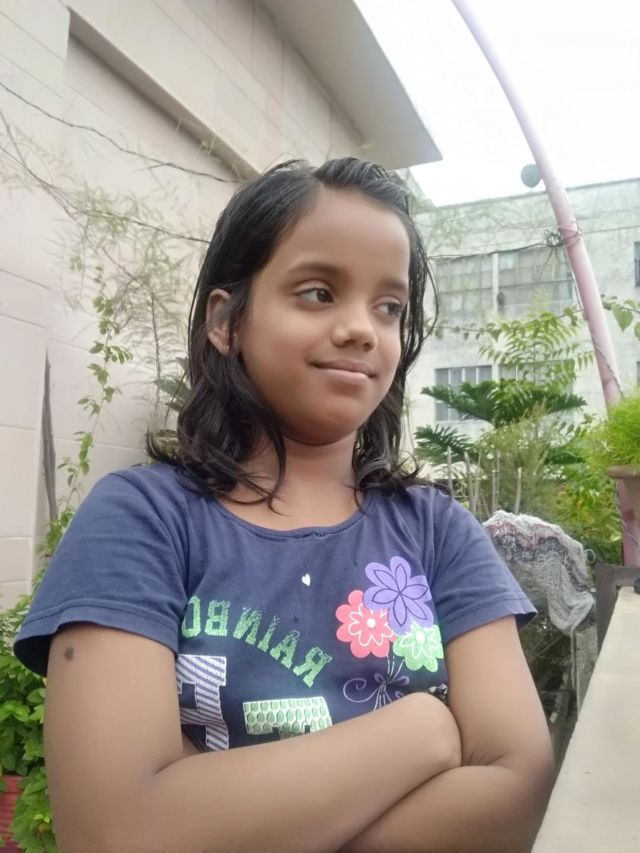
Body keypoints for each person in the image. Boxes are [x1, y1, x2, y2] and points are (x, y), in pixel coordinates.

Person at [14, 158, 555, 852]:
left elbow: (517, 789)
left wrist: (229, 821)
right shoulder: (142, 523)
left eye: (389, 307)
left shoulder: (438, 533)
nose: (362, 328)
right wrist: (422, 730)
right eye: (318, 292)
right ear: (226, 320)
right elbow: (116, 831)